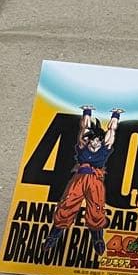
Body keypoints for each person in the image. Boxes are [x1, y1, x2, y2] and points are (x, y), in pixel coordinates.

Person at [45, 104, 123, 256]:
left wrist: (116, 115)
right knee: (67, 205)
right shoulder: (83, 146)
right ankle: (53, 236)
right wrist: (87, 112)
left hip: (95, 181)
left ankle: (98, 238)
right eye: (93, 141)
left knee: (96, 208)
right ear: (88, 141)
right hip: (79, 180)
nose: (95, 144)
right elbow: (84, 128)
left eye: (98, 141)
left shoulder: (104, 148)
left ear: (101, 141)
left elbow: (111, 131)